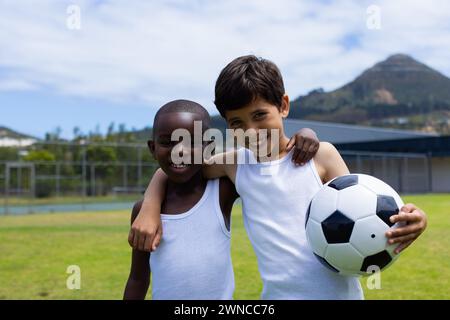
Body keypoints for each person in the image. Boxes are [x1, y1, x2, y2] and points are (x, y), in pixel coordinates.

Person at [129, 55, 428, 299]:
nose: (251, 131)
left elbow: (362, 209)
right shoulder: (236, 164)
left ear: (283, 106)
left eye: (260, 115)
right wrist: (150, 208)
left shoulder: (321, 156)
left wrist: (414, 219)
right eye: (237, 122)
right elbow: (177, 164)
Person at [123, 98, 319, 299]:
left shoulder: (223, 190)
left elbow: (271, 162)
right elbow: (138, 279)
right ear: (152, 148)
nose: (180, 151)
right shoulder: (143, 213)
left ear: (209, 147)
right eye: (166, 142)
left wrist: (307, 134)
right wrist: (150, 204)